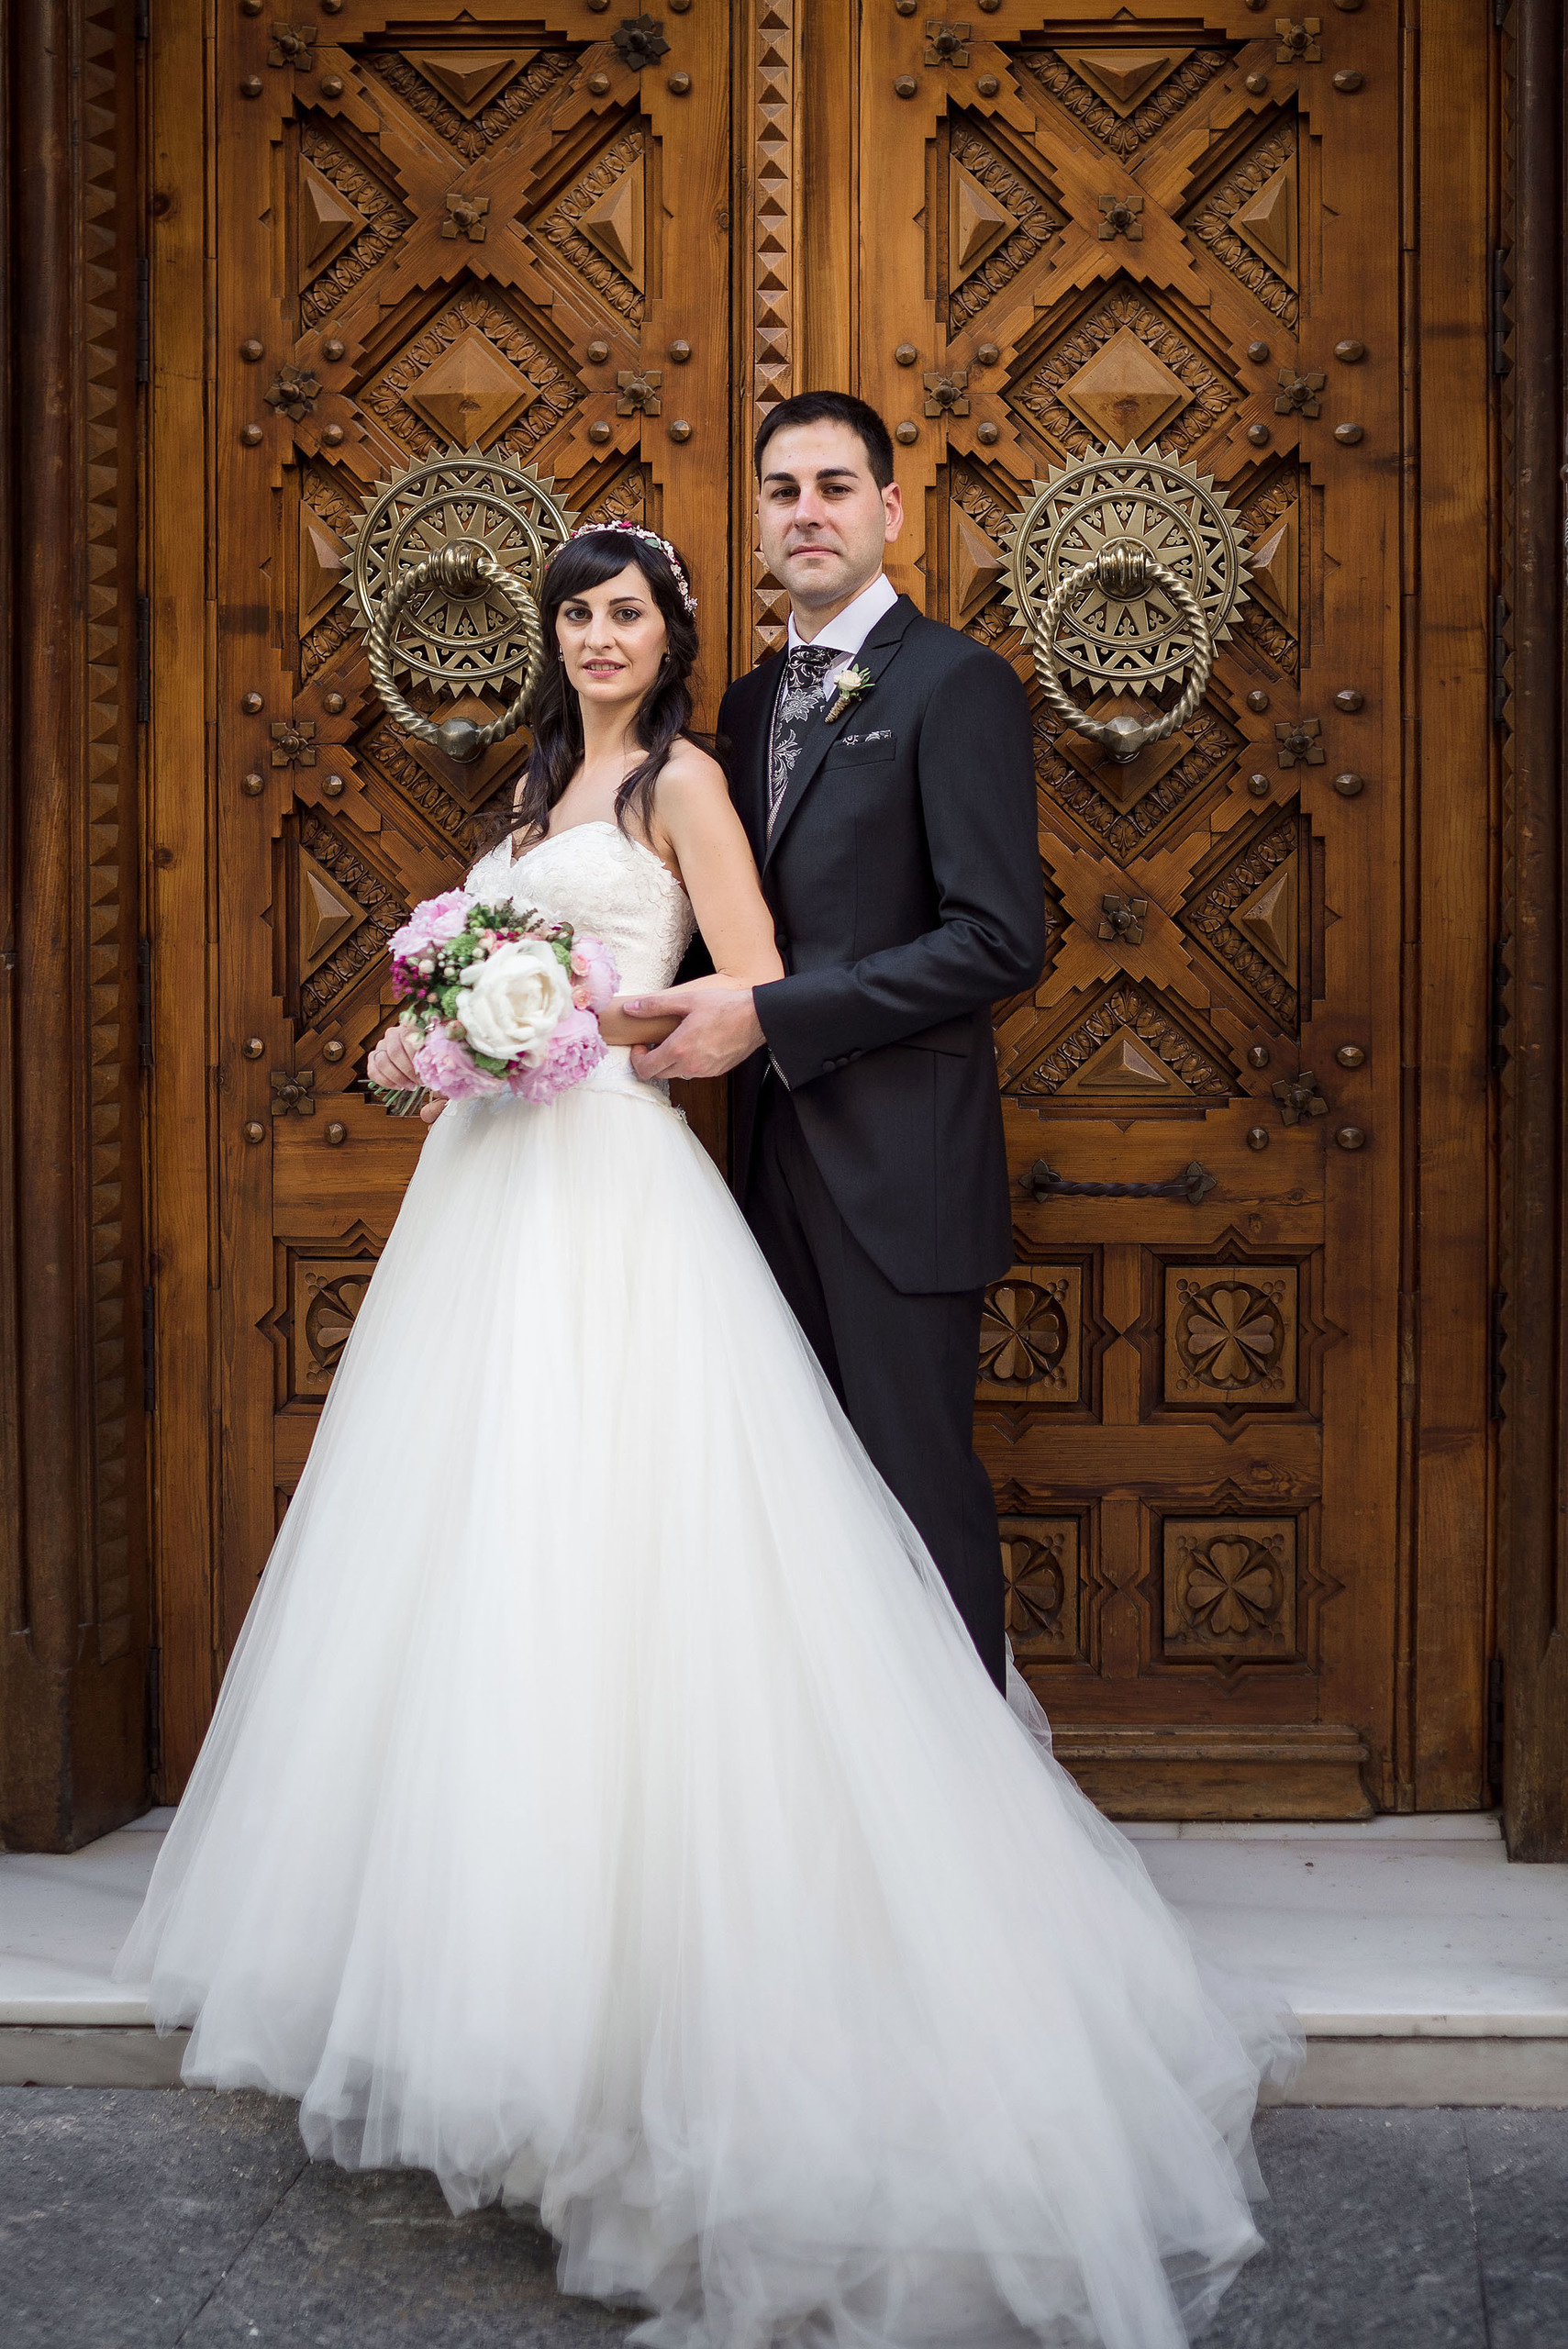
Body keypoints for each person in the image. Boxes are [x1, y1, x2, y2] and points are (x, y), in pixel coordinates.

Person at [117, 518, 1296, 2349]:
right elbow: (445, 981)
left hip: (611, 1201)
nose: (602, 638)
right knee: (487, 1565)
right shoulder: (532, 783)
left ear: (672, 640)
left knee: (631, 1552)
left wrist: (581, 1031)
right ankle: (497, 2000)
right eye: (578, 614)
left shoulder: (685, 786)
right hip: (485, 1206)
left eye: (631, 614)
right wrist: (443, 1032)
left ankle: (667, 2015)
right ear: (554, 637)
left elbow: (735, 997)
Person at [623, 393, 1040, 1691]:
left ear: (888, 512)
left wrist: (776, 1015)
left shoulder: (954, 683)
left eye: (835, 487)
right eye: (783, 490)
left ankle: (978, 1828)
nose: (807, 511)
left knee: (917, 1497)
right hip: (753, 1178)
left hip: (898, 1173)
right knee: (786, 1517)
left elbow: (995, 941)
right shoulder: (739, 711)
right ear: (755, 519)